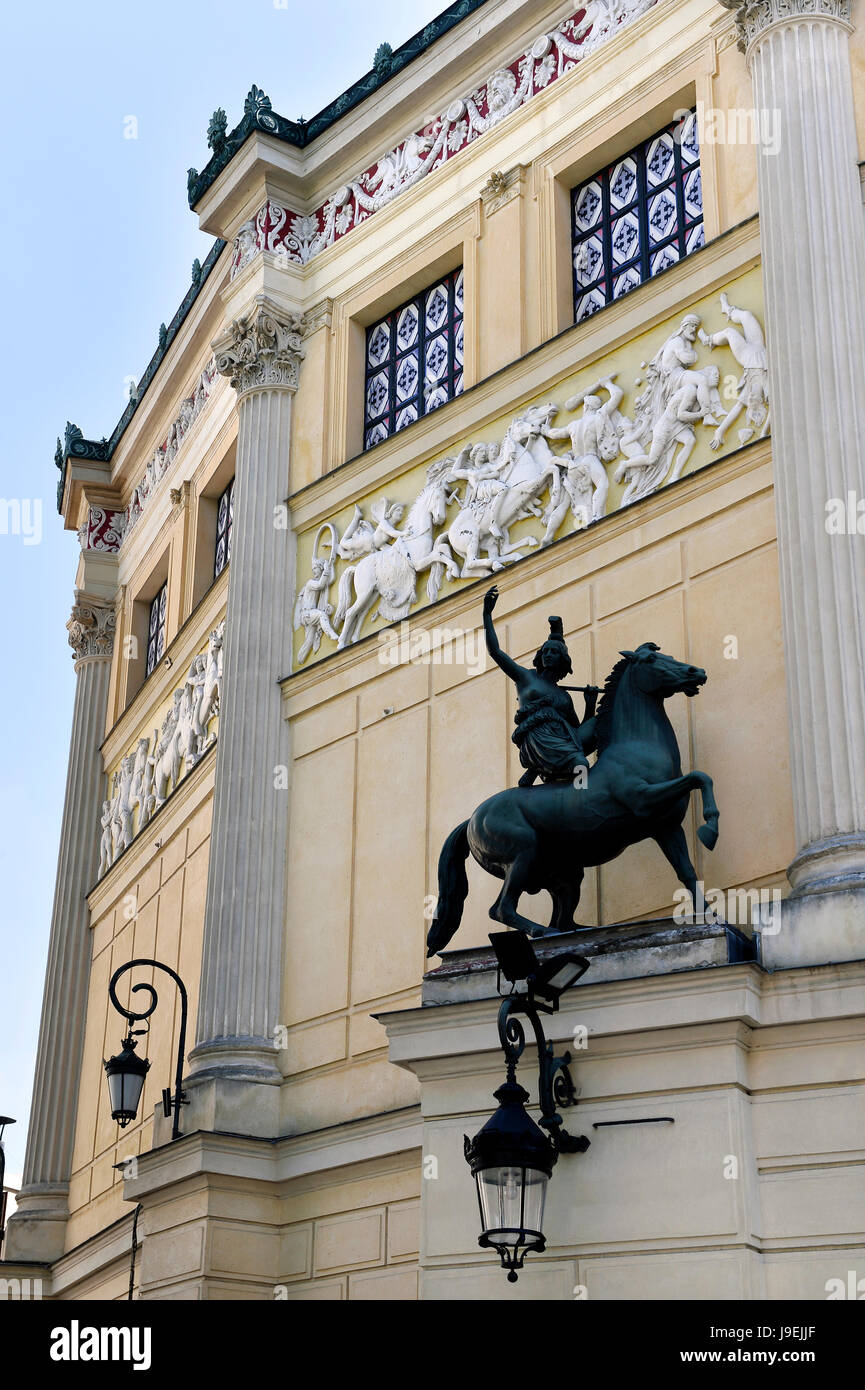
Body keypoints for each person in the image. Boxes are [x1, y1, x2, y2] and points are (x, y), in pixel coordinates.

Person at [483, 585, 599, 787]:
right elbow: (495, 651)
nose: (547, 654)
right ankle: (582, 790)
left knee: (587, 744)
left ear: (562, 659)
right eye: (545, 651)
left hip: (561, 741)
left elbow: (579, 736)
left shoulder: (564, 697)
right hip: (538, 739)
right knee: (580, 763)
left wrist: (590, 704)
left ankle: (568, 782)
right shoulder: (526, 677)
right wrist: (487, 615)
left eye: (553, 652)